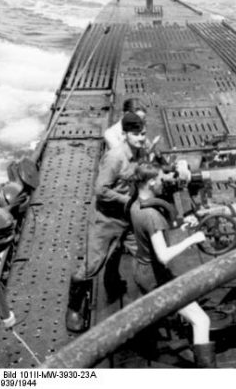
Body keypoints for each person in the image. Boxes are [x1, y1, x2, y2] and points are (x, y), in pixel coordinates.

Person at [65, 112, 148, 332]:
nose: (141, 138)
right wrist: (128, 201)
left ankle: (114, 284)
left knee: (141, 252)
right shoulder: (115, 157)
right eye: (136, 134)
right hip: (106, 218)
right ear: (125, 134)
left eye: (143, 133)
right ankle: (73, 308)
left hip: (127, 215)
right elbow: (100, 190)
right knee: (92, 265)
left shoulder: (141, 151)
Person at [129, 161, 215, 368]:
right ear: (150, 182)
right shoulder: (152, 216)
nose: (163, 183)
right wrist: (192, 240)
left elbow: (153, 237)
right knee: (201, 320)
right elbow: (164, 256)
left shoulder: (136, 204)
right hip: (155, 276)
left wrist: (184, 225)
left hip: (141, 269)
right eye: (159, 179)